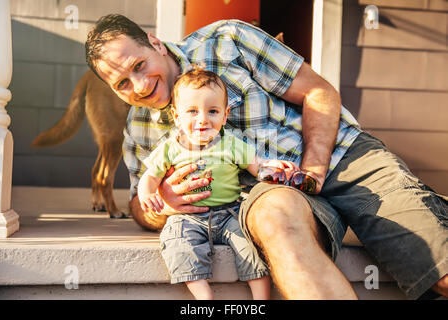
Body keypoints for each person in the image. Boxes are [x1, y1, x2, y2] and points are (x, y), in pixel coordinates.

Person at [85, 14, 447, 300]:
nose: (140, 86)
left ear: (155, 43)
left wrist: (313, 171)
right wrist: (162, 203)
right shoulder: (139, 126)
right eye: (122, 85)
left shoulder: (228, 40)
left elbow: (319, 93)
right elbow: (137, 202)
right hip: (269, 194)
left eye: (138, 66)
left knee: (440, 269)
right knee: (274, 219)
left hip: (344, 158)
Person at [139, 65, 283, 299]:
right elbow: (151, 176)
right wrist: (147, 193)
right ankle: (204, 297)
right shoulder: (169, 148)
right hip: (186, 217)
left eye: (213, 111)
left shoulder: (233, 145)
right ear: (177, 116)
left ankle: (260, 299)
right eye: (193, 111)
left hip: (230, 213)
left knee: (253, 247)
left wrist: (274, 169)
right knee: (178, 244)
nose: (203, 120)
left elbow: (259, 168)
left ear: (225, 115)